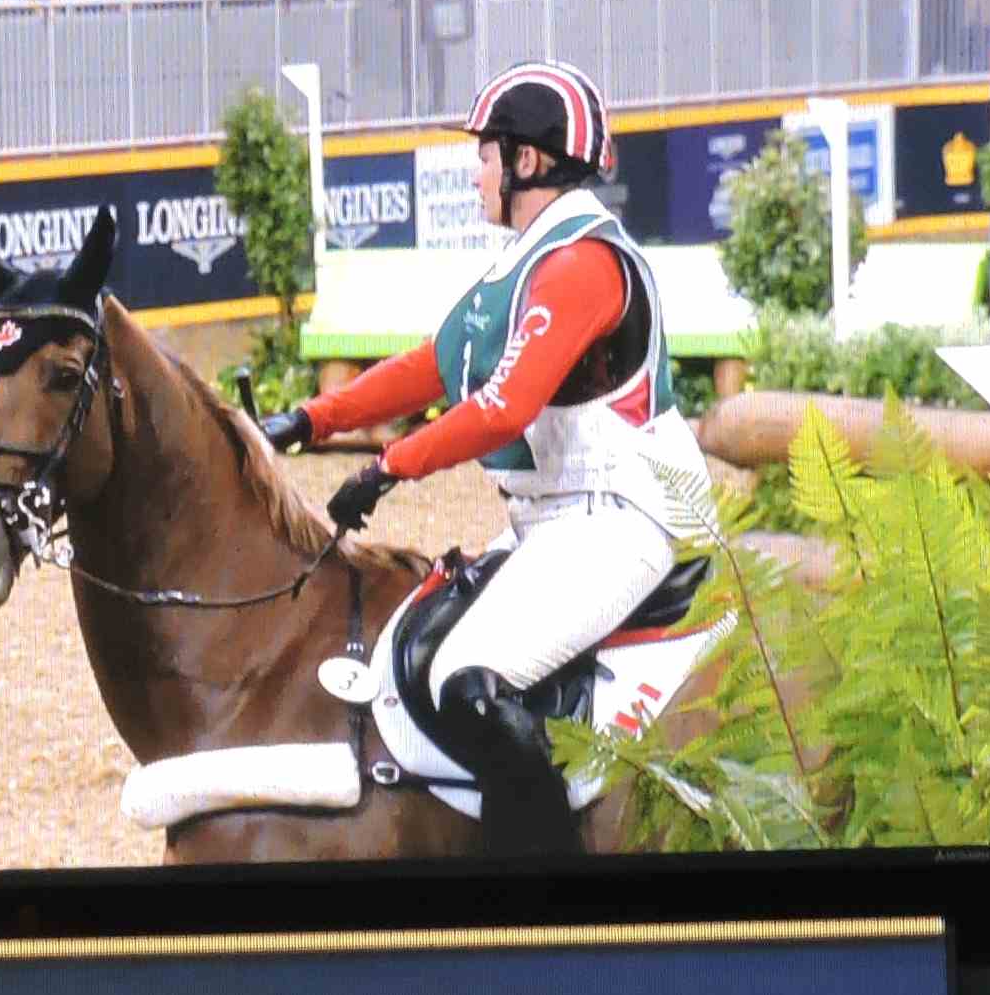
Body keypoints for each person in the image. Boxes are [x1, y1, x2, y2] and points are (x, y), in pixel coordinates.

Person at [262, 60, 712, 854]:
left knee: (468, 680)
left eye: (484, 155)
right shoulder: (527, 259)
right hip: (559, 523)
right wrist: (308, 419)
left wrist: (386, 469)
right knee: (422, 641)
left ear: (527, 161)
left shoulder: (582, 265)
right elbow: (435, 365)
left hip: (621, 521)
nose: (474, 172)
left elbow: (506, 406)